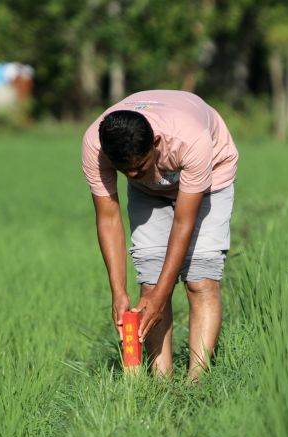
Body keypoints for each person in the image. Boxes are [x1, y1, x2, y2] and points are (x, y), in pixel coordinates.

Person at [81, 90, 238, 381]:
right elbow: (108, 217)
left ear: (154, 143)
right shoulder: (95, 144)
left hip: (211, 175)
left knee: (200, 279)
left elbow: (183, 222)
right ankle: (161, 383)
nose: (131, 175)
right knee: (150, 283)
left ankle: (196, 383)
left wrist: (162, 295)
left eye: (138, 167)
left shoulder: (189, 138)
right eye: (123, 171)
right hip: (149, 193)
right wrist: (118, 292)